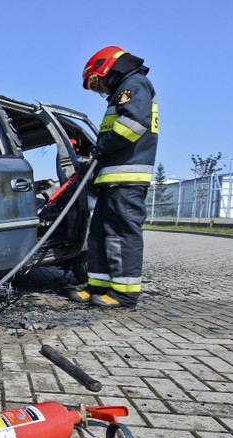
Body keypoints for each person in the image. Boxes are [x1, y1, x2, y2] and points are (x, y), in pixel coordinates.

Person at [69, 46, 159, 308]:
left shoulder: (136, 84)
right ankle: (96, 285)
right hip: (112, 177)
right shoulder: (122, 91)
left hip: (128, 177)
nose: (101, 90)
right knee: (98, 233)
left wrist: (103, 146)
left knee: (122, 234)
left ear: (106, 68)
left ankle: (124, 293)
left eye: (96, 83)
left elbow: (134, 123)